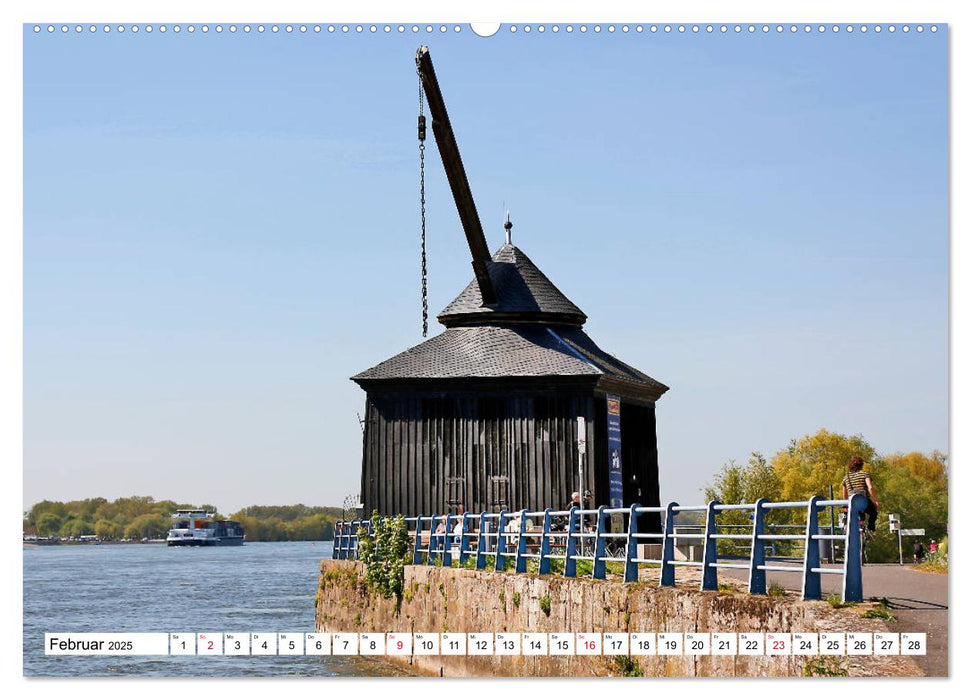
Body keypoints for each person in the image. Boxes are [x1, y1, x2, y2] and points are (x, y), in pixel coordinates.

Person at [841, 456, 879, 532]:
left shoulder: (846, 477)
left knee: (847, 512)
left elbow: (844, 495)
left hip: (851, 502)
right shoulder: (865, 474)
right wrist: (876, 500)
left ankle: (845, 524)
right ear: (861, 465)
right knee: (873, 512)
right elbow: (870, 488)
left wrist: (846, 504)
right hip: (863, 501)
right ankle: (871, 528)